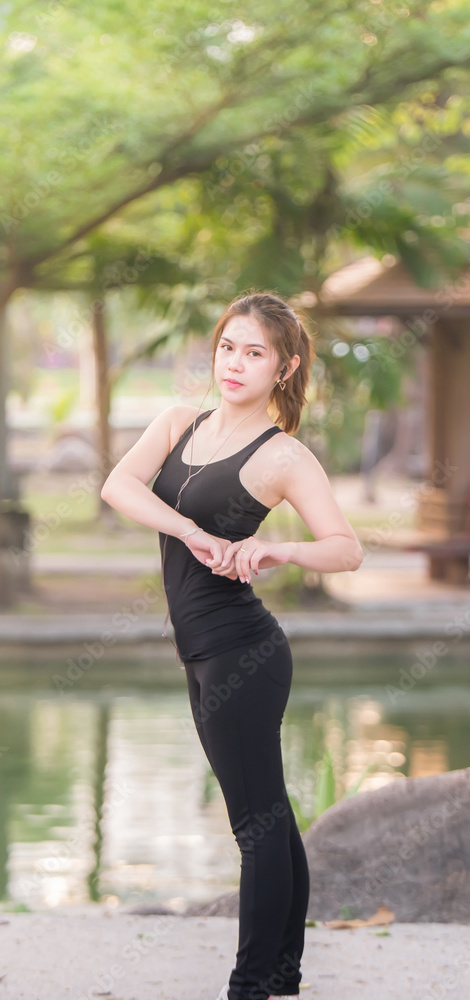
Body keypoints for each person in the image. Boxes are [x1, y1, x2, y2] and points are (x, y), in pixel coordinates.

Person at [100, 291, 364, 1000]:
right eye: (227, 347)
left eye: (255, 353)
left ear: (285, 367)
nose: (236, 363)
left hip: (242, 651)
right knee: (270, 814)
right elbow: (117, 485)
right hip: (200, 649)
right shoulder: (178, 421)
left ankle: (249, 986)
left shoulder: (282, 456)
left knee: (255, 825)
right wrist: (191, 532)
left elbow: (346, 550)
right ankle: (283, 974)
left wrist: (278, 551)